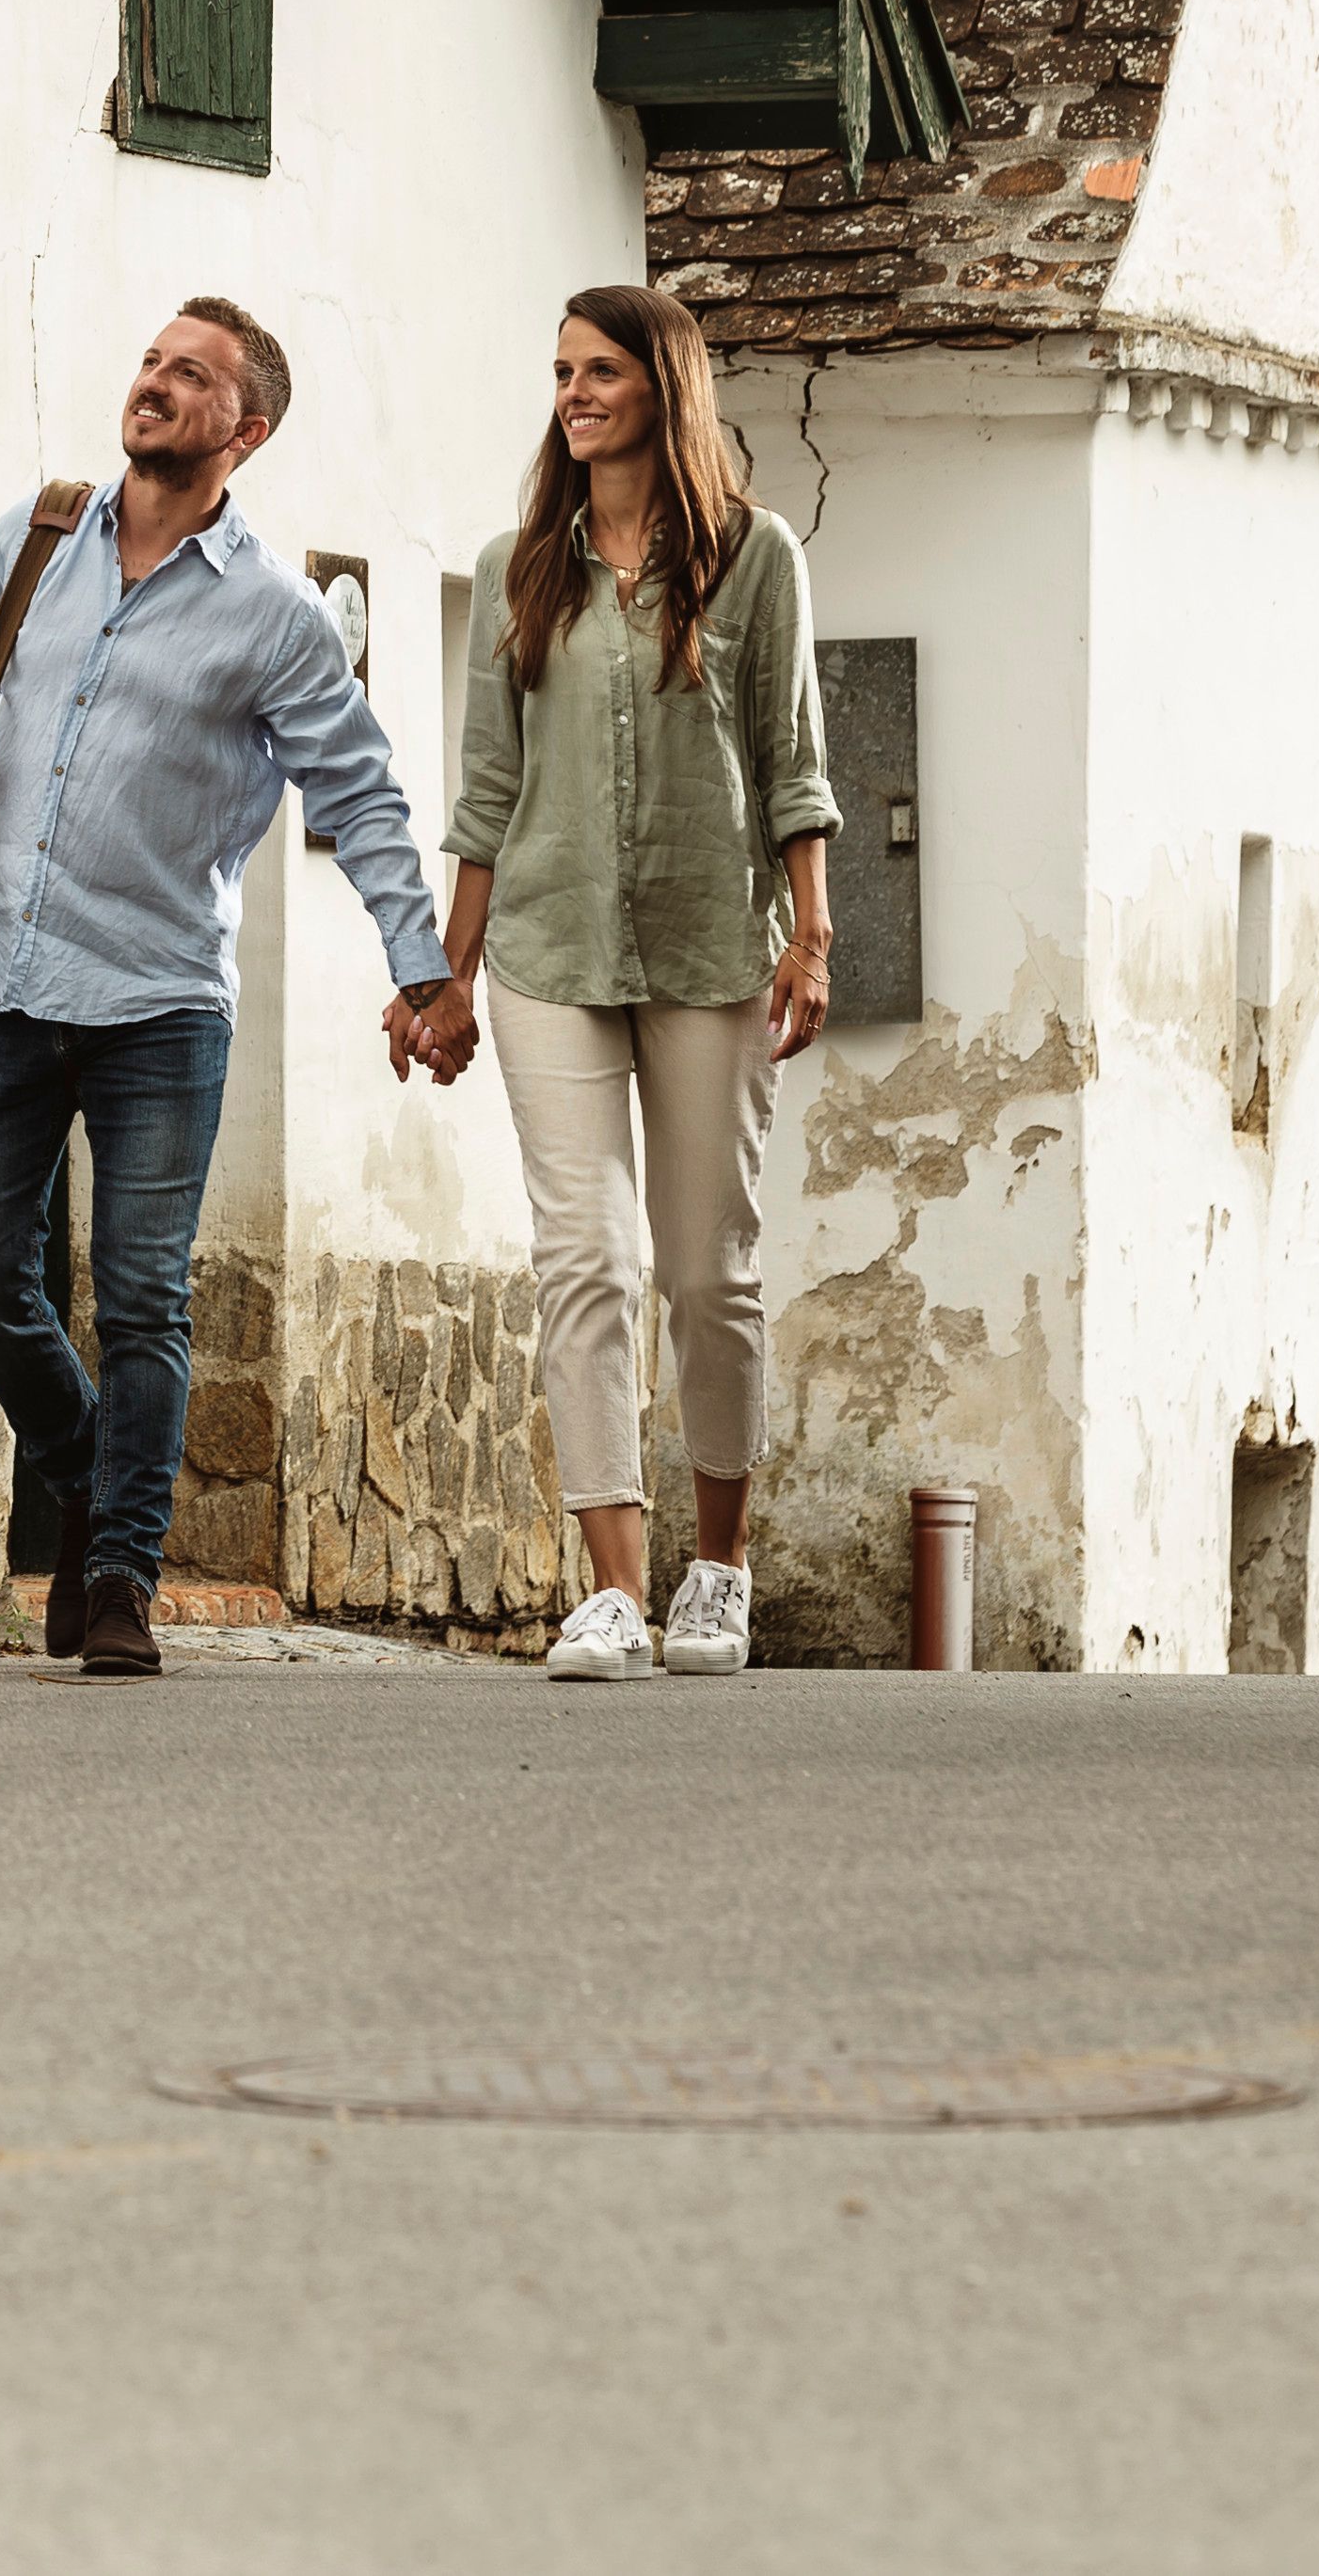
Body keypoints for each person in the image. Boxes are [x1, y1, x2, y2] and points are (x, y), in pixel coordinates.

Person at [0, 294, 462, 1678]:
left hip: (156, 1004)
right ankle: (88, 1459)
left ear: (242, 429)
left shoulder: (272, 615)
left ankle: (117, 1577)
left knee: (144, 1296)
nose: (151, 383)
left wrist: (424, 966)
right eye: (150, 359)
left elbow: (364, 798)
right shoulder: (39, 533)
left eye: (188, 374)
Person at [416, 279, 836, 1683]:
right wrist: (445, 978)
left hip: (712, 942)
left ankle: (717, 1568)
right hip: (546, 948)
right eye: (558, 372)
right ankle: (609, 1582)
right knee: (581, 1261)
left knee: (707, 1268)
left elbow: (793, 768)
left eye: (598, 369)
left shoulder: (754, 558)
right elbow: (485, 794)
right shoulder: (518, 569)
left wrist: (811, 933)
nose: (573, 392)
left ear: (664, 385)